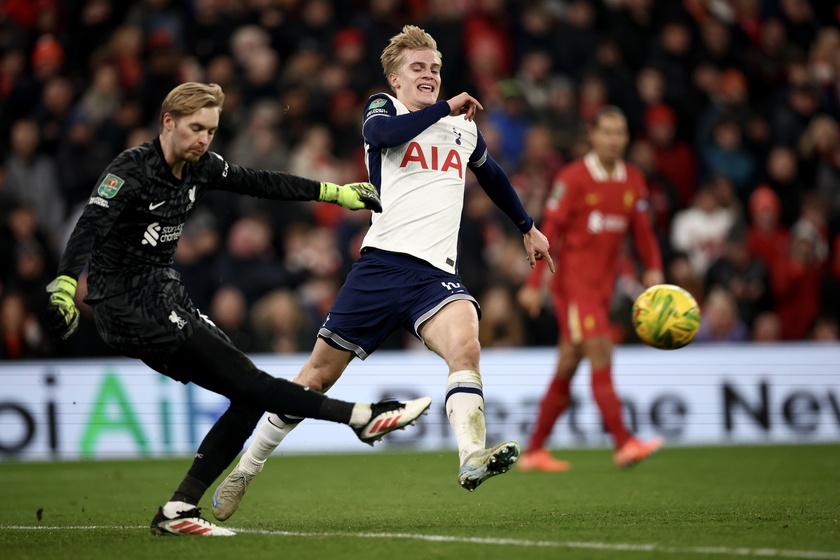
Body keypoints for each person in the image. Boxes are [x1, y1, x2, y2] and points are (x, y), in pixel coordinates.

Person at [43, 82, 432, 537]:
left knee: (248, 397)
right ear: (167, 122)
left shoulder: (200, 167)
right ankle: (360, 417)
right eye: (195, 129)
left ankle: (179, 509)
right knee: (250, 382)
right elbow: (90, 225)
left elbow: (261, 182)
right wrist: (66, 283)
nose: (204, 139)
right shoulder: (130, 170)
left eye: (210, 130)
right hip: (125, 303)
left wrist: (335, 193)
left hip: (166, 294)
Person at [210, 25, 554, 522]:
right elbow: (380, 137)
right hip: (380, 266)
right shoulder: (384, 109)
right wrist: (444, 107)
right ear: (395, 78)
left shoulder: (462, 128)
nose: (430, 76)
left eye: (435, 69)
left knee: (467, 346)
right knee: (315, 378)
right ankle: (246, 466)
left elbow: (493, 175)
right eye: (418, 68)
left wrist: (528, 226)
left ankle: (471, 457)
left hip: (433, 275)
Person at [516, 106, 665, 473]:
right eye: (607, 132)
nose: (614, 139)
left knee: (569, 362)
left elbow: (643, 233)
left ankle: (534, 451)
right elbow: (549, 229)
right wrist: (535, 283)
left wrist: (655, 269)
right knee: (601, 352)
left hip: (603, 287)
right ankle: (624, 443)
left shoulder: (633, 180)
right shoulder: (574, 178)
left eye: (620, 133)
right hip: (574, 287)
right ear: (593, 136)